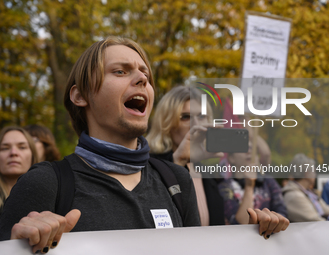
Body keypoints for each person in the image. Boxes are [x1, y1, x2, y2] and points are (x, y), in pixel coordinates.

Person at [0, 36, 289, 254]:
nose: (142, 78)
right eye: (121, 71)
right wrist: (18, 245)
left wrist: (257, 236)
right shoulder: (44, 184)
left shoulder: (176, 180)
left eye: (145, 75)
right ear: (80, 95)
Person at [147, 86, 225, 226]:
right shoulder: (148, 167)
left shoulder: (210, 174)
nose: (196, 124)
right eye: (185, 117)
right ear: (167, 123)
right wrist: (178, 161)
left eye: (202, 116)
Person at [218, 142, 287, 234]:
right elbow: (241, 223)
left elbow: (282, 213)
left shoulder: (268, 181)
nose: (249, 152)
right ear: (231, 158)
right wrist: (249, 186)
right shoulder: (224, 187)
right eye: (243, 149)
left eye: (252, 148)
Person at [0, 126, 38, 214]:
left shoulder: (51, 196)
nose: (13, 153)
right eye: (5, 148)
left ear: (33, 155)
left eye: (22, 147)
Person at [282, 154, 329, 222]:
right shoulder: (294, 196)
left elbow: (328, 211)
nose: (315, 174)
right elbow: (316, 221)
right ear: (307, 173)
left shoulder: (308, 192)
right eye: (314, 171)